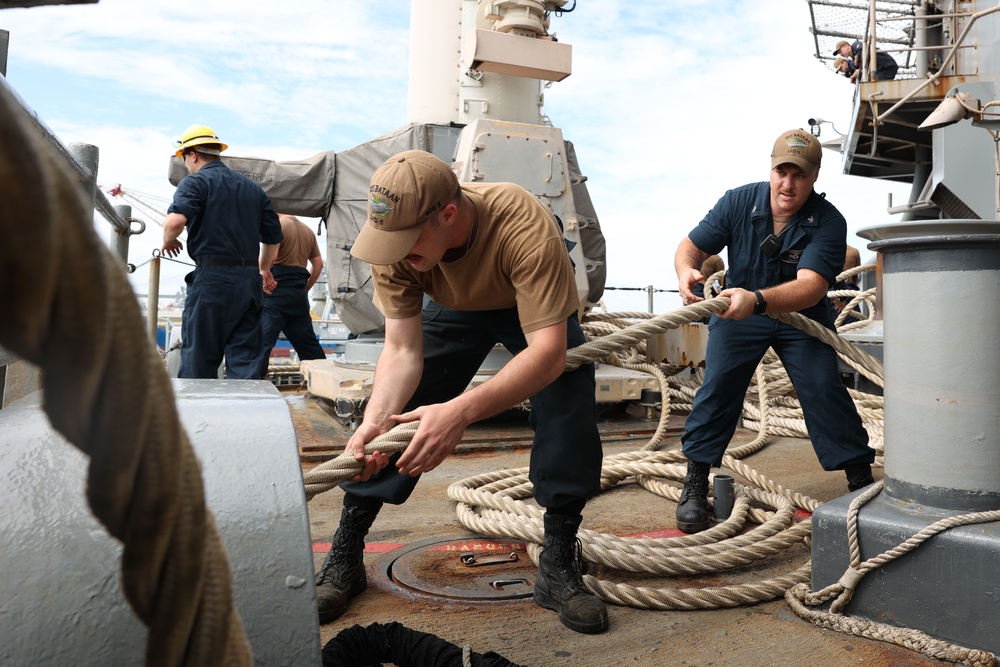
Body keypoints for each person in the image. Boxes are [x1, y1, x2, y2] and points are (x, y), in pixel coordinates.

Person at [314, 150, 608, 634]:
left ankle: (558, 562)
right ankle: (346, 552)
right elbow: (403, 350)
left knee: (568, 396)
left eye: (407, 243)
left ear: (447, 215)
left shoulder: (521, 225)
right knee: (393, 416)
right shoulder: (394, 241)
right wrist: (376, 419)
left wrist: (459, 412)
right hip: (457, 307)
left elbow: (548, 352)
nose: (396, 253)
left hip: (525, 302)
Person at [673, 128, 875, 534]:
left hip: (799, 315)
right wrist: (686, 271)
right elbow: (690, 246)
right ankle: (695, 484)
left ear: (815, 175)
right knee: (719, 387)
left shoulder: (829, 222)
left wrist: (758, 300)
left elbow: (812, 286)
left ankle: (859, 481)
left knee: (823, 389)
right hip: (739, 312)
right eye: (782, 171)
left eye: (799, 174)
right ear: (771, 169)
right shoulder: (738, 201)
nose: (788, 183)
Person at [162, 124, 282, 379]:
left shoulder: (195, 181)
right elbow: (273, 237)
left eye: (185, 159)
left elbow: (174, 222)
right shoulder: (253, 189)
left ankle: (197, 417)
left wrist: (169, 240)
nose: (186, 166)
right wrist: (263, 268)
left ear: (192, 154)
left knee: (199, 359)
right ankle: (243, 416)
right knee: (246, 360)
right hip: (249, 282)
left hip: (212, 280)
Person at [255, 213, 327, 376]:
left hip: (275, 290)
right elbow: (318, 264)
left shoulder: (278, 225)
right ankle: (322, 385)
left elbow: (271, 256)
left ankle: (253, 390)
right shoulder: (307, 230)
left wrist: (260, 271)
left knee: (260, 345)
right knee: (309, 347)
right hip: (298, 293)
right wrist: (305, 289)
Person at [833, 39, 898, 81]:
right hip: (881, 69)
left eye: (840, 51)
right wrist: (856, 64)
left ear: (846, 46)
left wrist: (857, 57)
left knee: (878, 89)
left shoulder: (855, 45)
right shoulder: (853, 55)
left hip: (886, 65)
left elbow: (861, 47)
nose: (840, 54)